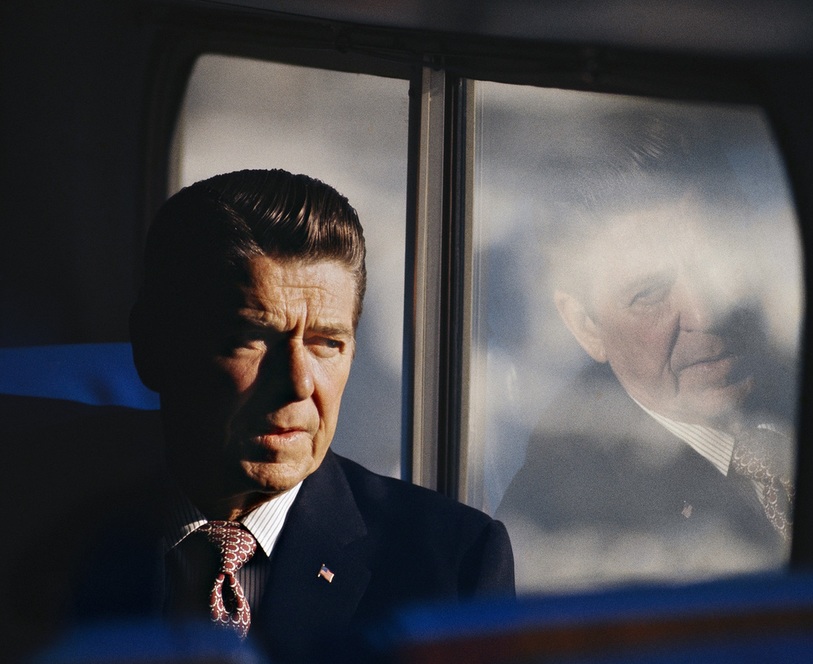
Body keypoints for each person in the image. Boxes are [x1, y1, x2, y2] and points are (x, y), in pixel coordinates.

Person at [64, 169, 514, 662]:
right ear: (152, 347)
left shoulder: (454, 566)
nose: (299, 382)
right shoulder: (46, 536)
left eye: (327, 344)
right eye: (252, 339)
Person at [496, 119, 798, 591]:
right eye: (649, 294)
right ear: (584, 326)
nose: (705, 313)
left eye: (715, 266)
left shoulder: (809, 392)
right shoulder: (566, 529)